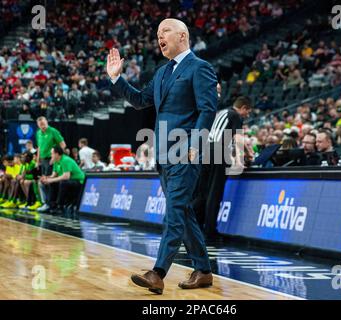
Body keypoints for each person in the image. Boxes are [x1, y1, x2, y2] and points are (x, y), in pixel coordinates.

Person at [107, 18, 217, 294]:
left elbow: (207, 110)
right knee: (183, 211)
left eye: (164, 31)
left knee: (174, 212)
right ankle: (203, 270)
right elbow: (140, 100)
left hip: (186, 151)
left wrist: (197, 142)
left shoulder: (200, 68)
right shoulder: (162, 72)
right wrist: (117, 78)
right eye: (157, 33)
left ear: (182, 36)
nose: (159, 36)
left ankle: (158, 273)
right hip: (164, 155)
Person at [194, 96, 252, 237]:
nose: (247, 115)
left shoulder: (222, 112)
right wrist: (239, 161)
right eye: (248, 112)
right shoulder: (236, 115)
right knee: (215, 192)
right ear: (243, 108)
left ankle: (195, 227)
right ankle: (210, 230)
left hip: (207, 150)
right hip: (219, 152)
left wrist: (248, 152)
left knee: (203, 192)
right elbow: (237, 138)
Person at [39, 146, 85, 213]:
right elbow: (53, 175)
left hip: (79, 181)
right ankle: (51, 205)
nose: (50, 155)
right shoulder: (56, 161)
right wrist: (46, 178)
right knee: (51, 183)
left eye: (52, 153)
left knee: (63, 183)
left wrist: (51, 180)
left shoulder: (65, 160)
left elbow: (66, 176)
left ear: (57, 154)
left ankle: (60, 207)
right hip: (69, 180)